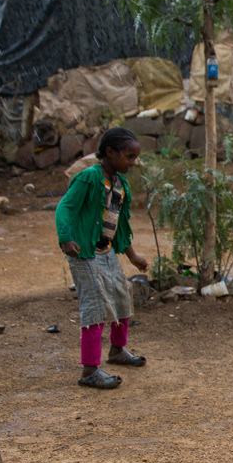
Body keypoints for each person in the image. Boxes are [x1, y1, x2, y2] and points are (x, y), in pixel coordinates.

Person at [55, 127, 149, 390]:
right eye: (129, 156)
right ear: (110, 152)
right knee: (95, 308)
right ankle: (89, 370)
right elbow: (65, 207)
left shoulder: (119, 184)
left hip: (105, 250)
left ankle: (117, 350)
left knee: (121, 299)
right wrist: (66, 237)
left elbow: (117, 224)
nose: (133, 162)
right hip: (84, 251)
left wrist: (132, 255)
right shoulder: (88, 178)